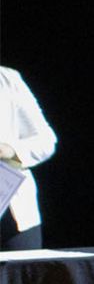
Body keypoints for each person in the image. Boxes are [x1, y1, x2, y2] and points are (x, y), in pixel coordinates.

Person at [0, 66, 57, 251]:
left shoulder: (8, 80)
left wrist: (10, 152)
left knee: (25, 269)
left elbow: (45, 141)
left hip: (13, 213)